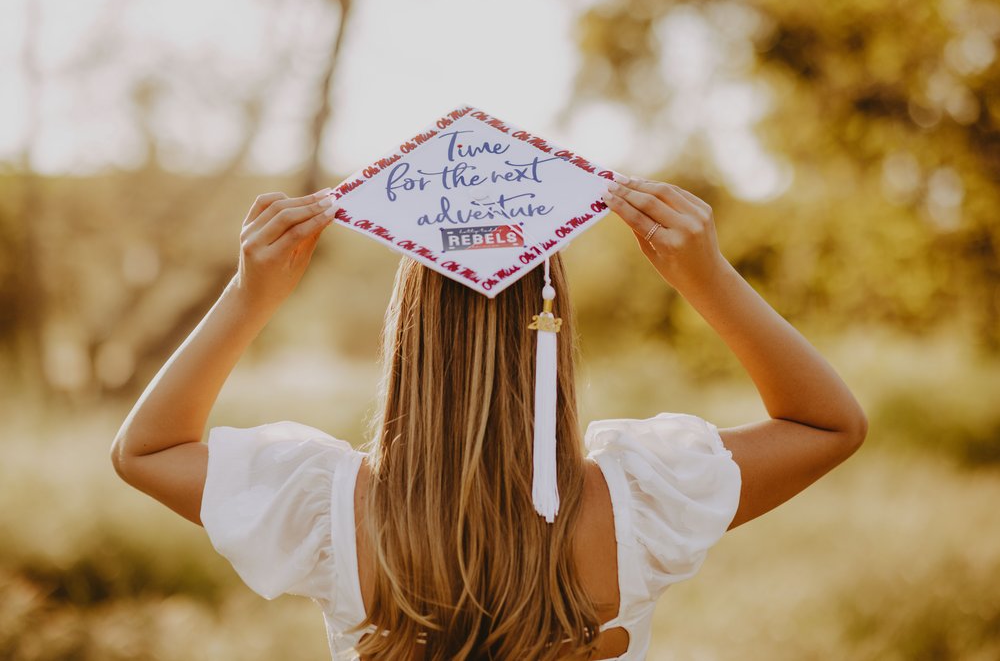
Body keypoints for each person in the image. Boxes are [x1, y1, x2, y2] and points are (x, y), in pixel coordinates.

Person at [111, 175, 867, 660]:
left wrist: (252, 296)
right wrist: (707, 278)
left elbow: (145, 450)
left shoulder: (332, 511)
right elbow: (829, 424)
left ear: (408, 328)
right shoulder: (642, 500)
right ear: (554, 321)